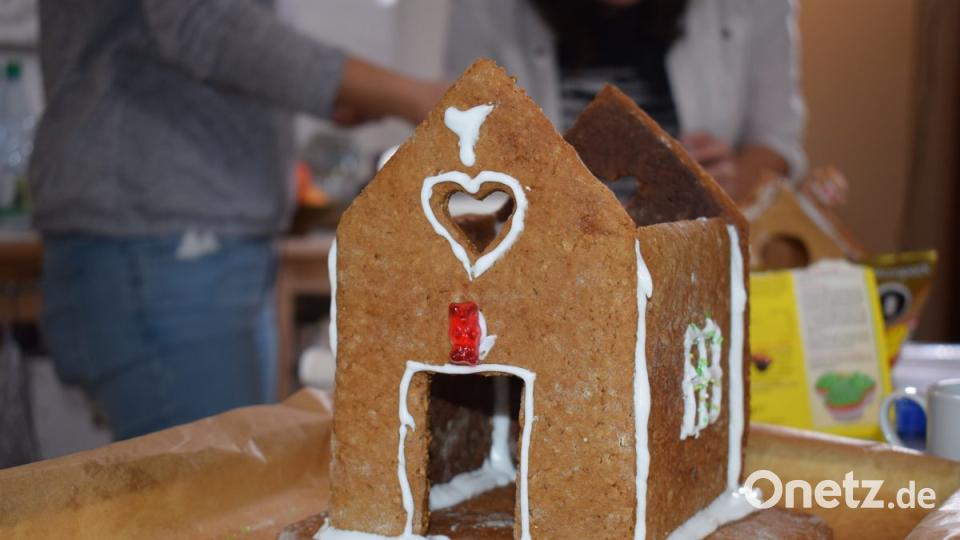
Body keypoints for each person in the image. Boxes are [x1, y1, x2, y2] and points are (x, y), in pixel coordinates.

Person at [30, 1, 446, 440]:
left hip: (183, 242)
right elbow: (203, 20)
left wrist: (348, 89)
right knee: (204, 491)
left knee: (221, 479)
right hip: (161, 238)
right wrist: (405, 94)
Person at [445, 0, 807, 203]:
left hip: (688, 254)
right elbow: (468, 151)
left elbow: (775, 139)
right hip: (550, 267)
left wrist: (730, 186)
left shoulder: (755, 8)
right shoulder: (487, 10)